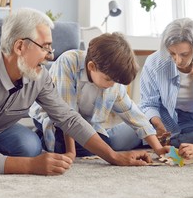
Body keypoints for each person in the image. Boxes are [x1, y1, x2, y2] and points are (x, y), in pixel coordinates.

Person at [0, 8, 152, 176]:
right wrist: (31, 166)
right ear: (20, 46)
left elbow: (67, 118)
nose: (50, 55)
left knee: (29, 147)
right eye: (45, 47)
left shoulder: (38, 75)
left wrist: (113, 156)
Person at [30, 32, 170, 159]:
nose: (112, 84)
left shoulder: (112, 79)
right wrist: (70, 152)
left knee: (104, 145)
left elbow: (133, 115)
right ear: (91, 67)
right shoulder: (68, 62)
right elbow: (67, 116)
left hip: (84, 122)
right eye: (108, 80)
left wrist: (158, 148)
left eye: (115, 82)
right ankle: (40, 136)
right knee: (68, 146)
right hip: (56, 118)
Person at [139, 18, 193, 147]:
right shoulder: (154, 62)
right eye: (172, 53)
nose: (178, 61)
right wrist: (158, 125)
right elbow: (148, 103)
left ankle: (171, 140)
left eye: (184, 54)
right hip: (162, 117)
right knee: (119, 140)